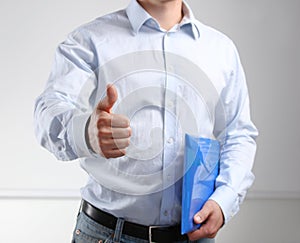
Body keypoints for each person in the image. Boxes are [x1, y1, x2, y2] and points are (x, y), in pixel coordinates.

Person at [34, 0, 258, 242]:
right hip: (108, 234)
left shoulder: (221, 49)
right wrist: (86, 132)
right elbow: (48, 110)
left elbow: (238, 133)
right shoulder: (90, 40)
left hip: (194, 235)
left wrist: (225, 199)